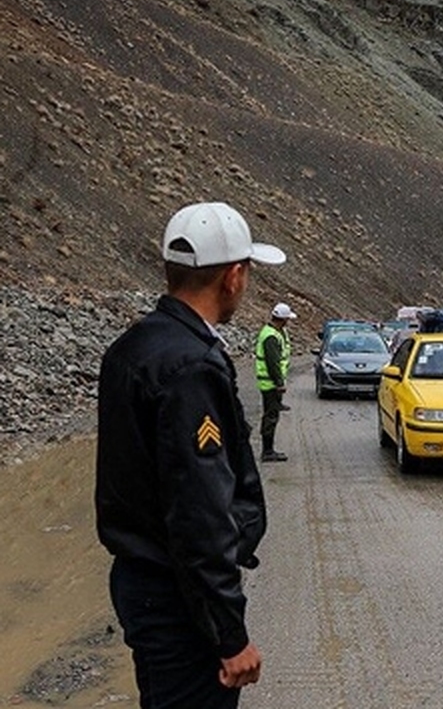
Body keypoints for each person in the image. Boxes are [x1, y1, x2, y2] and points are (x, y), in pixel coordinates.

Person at [96, 201, 286, 708]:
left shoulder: (131, 347)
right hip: (178, 601)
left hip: (143, 584)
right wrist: (229, 634)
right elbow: (198, 510)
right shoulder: (191, 366)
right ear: (234, 276)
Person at [255, 302, 297, 462]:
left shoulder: (273, 332)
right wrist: (279, 383)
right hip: (270, 384)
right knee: (270, 416)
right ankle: (267, 451)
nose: (288, 322)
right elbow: (273, 363)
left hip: (270, 383)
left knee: (272, 413)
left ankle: (268, 449)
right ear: (283, 319)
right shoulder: (271, 337)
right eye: (287, 319)